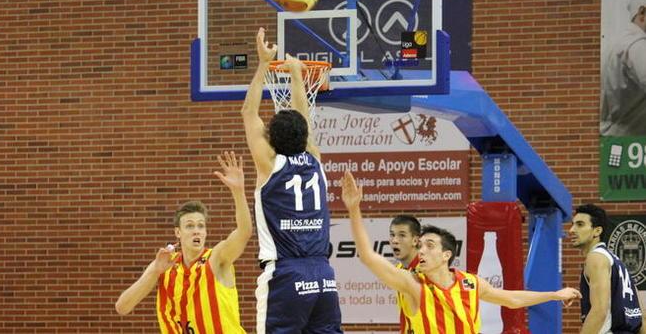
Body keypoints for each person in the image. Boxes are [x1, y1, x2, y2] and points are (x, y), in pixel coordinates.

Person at [341, 171, 581, 333]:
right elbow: (368, 256)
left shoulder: (470, 283)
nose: (421, 250)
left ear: (446, 255)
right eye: (420, 244)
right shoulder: (414, 285)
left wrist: (554, 294)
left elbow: (511, 298)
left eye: (429, 245)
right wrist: (354, 209)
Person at [242, 27, 342, 333]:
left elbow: (248, 112)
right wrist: (297, 75)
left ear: (270, 139)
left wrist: (263, 64)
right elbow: (304, 117)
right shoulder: (314, 158)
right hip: (324, 276)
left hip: (286, 275)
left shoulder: (269, 164)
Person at [115, 151, 251, 334]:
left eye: (201, 226)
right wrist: (154, 271)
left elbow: (244, 233)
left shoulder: (216, 258)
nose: (197, 230)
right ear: (177, 232)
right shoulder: (165, 265)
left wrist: (238, 192)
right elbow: (122, 307)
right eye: (190, 226)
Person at [569, 204, 645, 334]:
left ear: (597, 231)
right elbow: (641, 316)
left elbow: (599, 311)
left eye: (580, 224)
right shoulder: (618, 263)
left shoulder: (596, 257)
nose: (571, 230)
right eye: (573, 224)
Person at [601, 0, 646, 137]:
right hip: (628, 140)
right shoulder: (637, 45)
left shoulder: (616, 42)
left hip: (610, 136)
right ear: (642, 13)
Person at [389, 215, 421, 333]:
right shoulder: (398, 269)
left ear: (415, 240)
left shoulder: (428, 269)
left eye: (402, 235)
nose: (395, 240)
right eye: (392, 235)